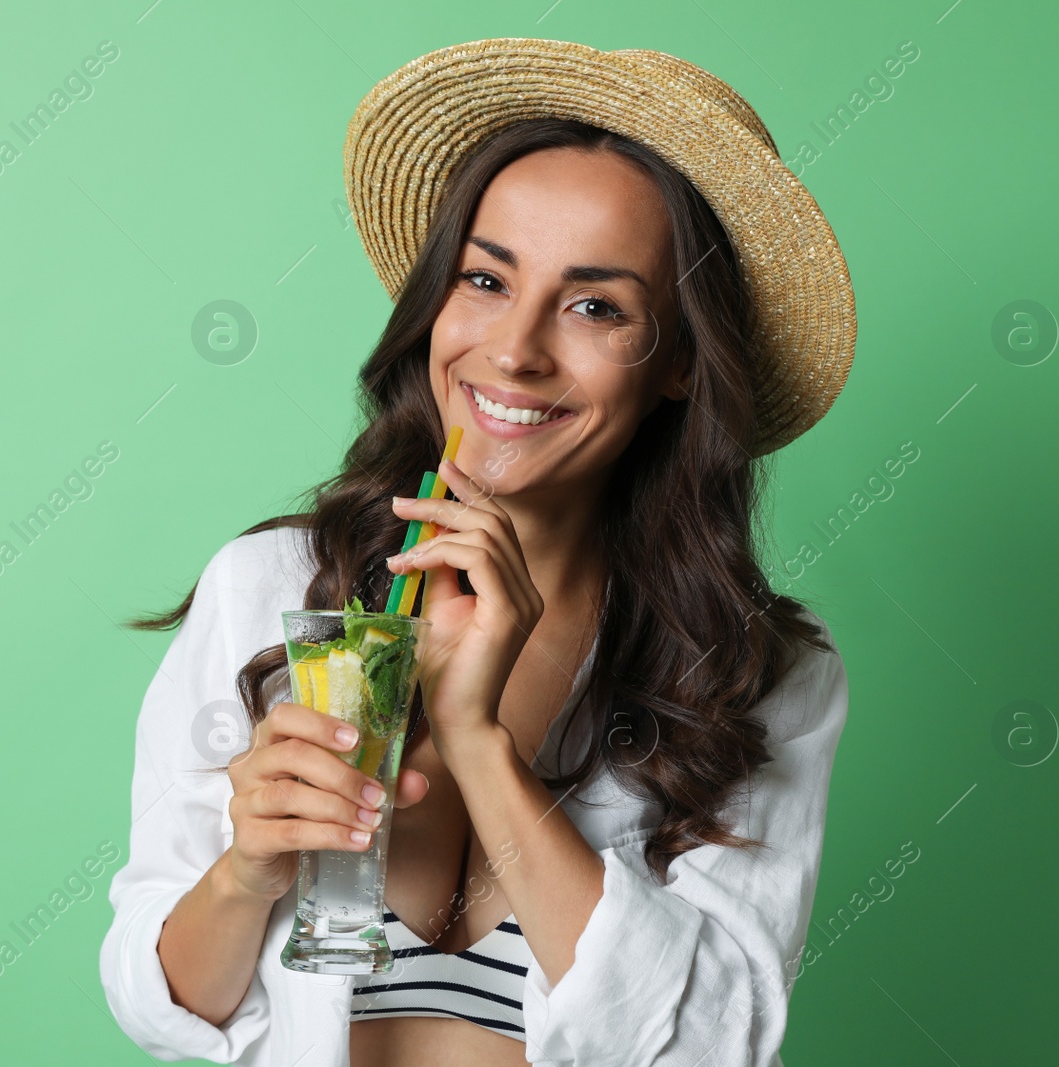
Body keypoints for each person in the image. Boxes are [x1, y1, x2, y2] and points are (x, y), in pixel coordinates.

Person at [100, 37, 856, 1067]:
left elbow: (713, 1045)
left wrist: (476, 740)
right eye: (486, 279)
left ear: (680, 358)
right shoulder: (276, 591)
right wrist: (247, 866)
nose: (513, 349)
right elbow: (161, 1003)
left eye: (595, 305)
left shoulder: (757, 674)